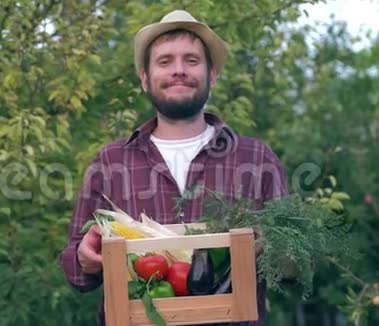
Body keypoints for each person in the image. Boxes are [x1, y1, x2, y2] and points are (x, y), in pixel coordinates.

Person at [59, 9, 288, 326]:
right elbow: (75, 272)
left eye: (191, 60)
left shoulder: (256, 158)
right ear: (144, 78)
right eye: (165, 61)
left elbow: (296, 271)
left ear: (212, 75)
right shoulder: (110, 162)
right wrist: (85, 259)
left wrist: (279, 249)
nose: (179, 70)